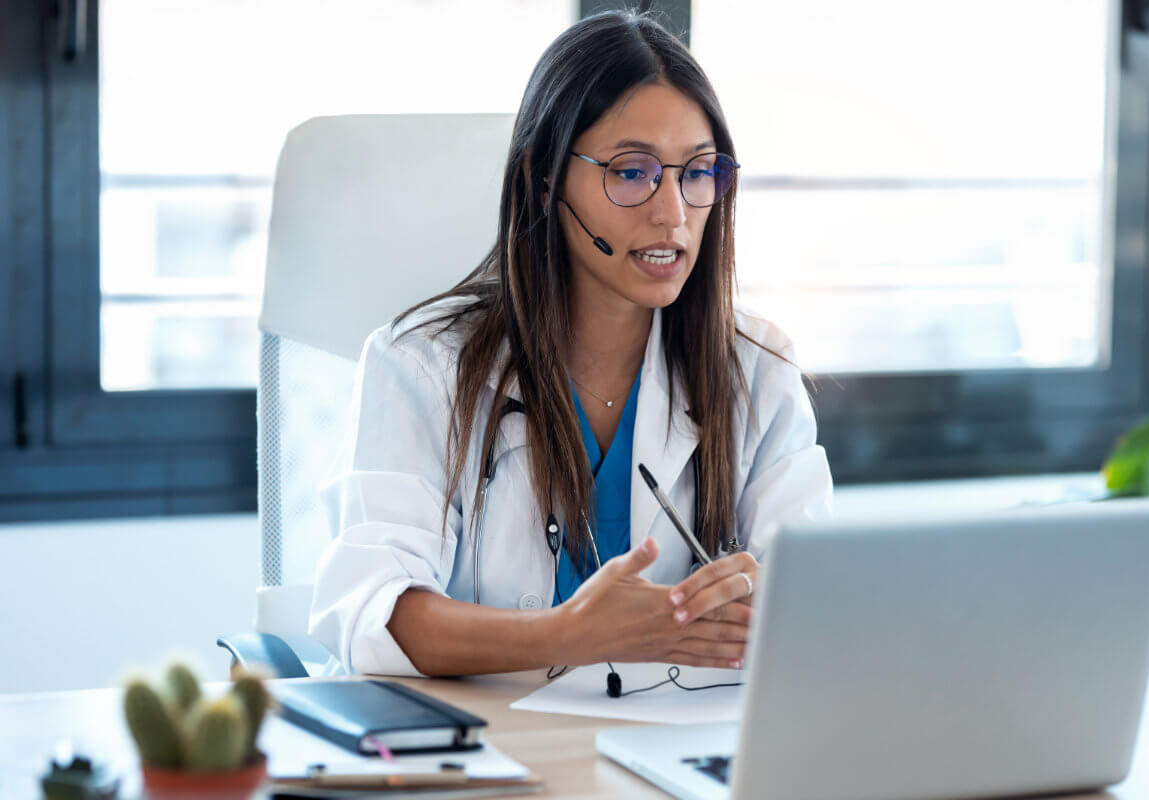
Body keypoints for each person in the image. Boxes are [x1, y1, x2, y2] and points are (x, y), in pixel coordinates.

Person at [308, 10, 832, 678]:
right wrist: (568, 634)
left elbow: (816, 592)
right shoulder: (422, 366)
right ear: (545, 178)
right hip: (482, 757)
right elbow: (374, 612)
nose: (672, 212)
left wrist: (769, 610)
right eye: (631, 170)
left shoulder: (755, 369)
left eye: (697, 172)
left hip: (668, 757)